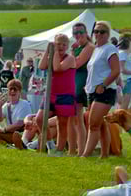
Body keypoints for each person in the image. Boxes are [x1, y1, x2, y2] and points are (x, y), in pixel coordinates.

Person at [82, 21, 120, 158]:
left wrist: (103, 85)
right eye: (96, 31)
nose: (98, 34)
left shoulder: (110, 48)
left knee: (93, 124)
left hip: (105, 91)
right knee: (101, 124)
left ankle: (85, 155)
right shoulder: (96, 49)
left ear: (108, 34)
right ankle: (104, 154)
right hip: (92, 91)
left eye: (102, 31)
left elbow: (116, 70)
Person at [36, 35, 77, 154]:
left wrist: (54, 54)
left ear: (67, 46)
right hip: (51, 94)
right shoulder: (53, 56)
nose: (61, 47)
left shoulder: (70, 58)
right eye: (58, 44)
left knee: (62, 123)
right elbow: (41, 66)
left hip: (65, 95)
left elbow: (58, 68)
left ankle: (59, 150)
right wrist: (48, 50)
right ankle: (50, 144)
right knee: (39, 119)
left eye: (64, 45)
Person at [70, 23, 95, 157]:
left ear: (86, 33)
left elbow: (76, 63)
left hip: (82, 84)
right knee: (76, 120)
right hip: (75, 83)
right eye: (75, 33)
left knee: (80, 120)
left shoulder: (89, 47)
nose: (78, 36)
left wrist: (72, 53)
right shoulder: (79, 47)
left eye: (80, 32)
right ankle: (77, 150)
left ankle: (81, 151)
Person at [0, 79, 32, 146]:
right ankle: (5, 143)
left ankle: (14, 143)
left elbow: (19, 124)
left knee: (15, 135)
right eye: (10, 89)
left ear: (19, 92)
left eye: (15, 89)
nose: (12, 91)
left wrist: (4, 130)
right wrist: (0, 105)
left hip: (21, 134)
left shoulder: (24, 104)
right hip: (9, 133)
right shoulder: (6, 105)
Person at [116, 38, 131, 111]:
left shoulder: (124, 54)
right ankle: (119, 120)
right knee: (124, 105)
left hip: (128, 80)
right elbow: (122, 70)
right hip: (126, 80)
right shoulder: (123, 53)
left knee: (125, 104)